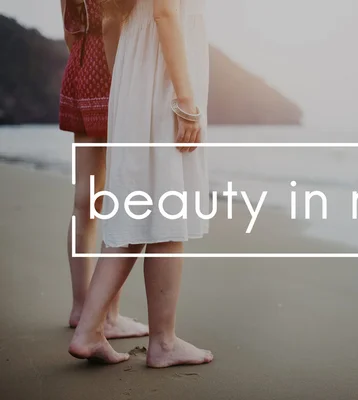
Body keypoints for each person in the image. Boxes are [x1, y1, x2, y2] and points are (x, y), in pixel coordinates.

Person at [68, 0, 214, 368]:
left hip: (138, 78)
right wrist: (185, 101)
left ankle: (88, 331)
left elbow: (112, 22)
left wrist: (130, 93)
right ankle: (163, 342)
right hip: (160, 84)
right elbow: (165, 14)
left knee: (137, 211)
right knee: (165, 208)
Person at [59, 0, 149, 339]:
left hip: (78, 70)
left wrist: (85, 61)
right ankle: (108, 316)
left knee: (85, 196)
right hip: (109, 75)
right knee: (116, 196)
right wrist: (118, 80)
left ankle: (80, 307)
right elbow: (112, 23)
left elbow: (70, 30)